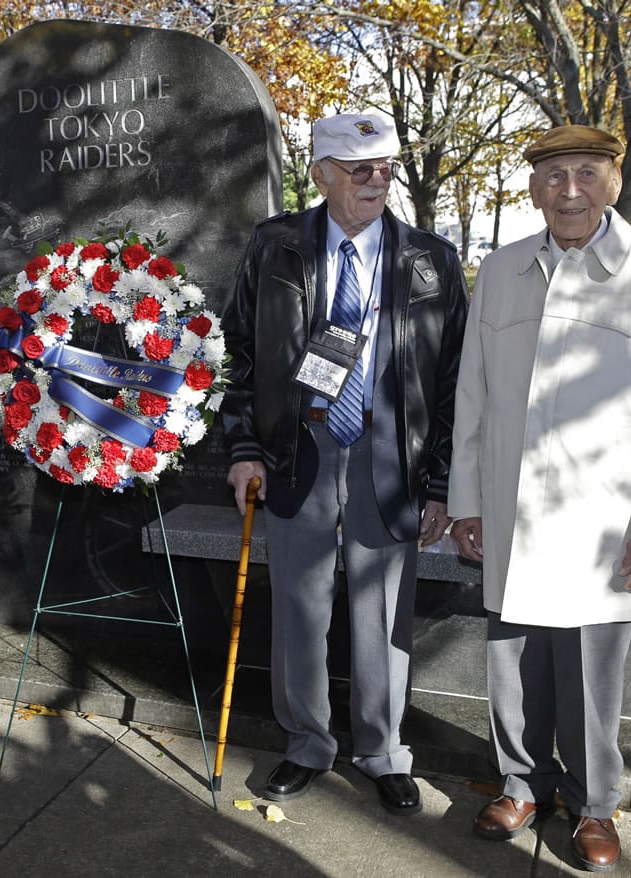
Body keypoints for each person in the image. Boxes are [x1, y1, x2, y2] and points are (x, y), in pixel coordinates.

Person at [447, 125, 631, 872]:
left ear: (615, 181)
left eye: (586, 173)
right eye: (554, 175)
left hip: (607, 520)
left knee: (594, 674)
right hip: (509, 508)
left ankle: (595, 805)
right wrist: (466, 498)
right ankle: (521, 785)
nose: (569, 189)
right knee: (512, 664)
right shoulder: (500, 271)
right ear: (533, 187)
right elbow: (473, 395)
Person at [221, 113, 469, 816]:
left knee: (383, 611)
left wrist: (444, 480)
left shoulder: (431, 259)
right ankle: (306, 744)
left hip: (393, 450)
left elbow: (455, 379)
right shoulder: (275, 247)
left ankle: (383, 751)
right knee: (298, 608)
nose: (376, 178)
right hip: (299, 447)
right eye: (358, 167)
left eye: (385, 165)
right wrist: (243, 448)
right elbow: (236, 350)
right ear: (322, 172)